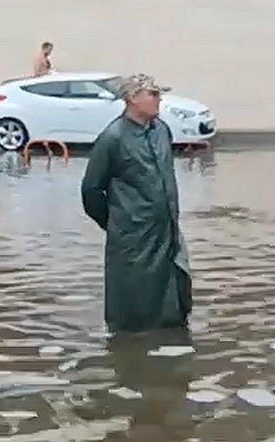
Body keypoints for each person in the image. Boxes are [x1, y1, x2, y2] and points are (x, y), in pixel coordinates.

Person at [81, 74, 193, 333]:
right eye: (153, 94)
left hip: (166, 229)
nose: (159, 99)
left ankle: (172, 332)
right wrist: (117, 222)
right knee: (133, 299)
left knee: (174, 289)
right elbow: (91, 189)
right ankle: (129, 342)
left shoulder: (161, 130)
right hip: (133, 235)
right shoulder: (113, 138)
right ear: (132, 98)